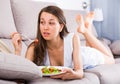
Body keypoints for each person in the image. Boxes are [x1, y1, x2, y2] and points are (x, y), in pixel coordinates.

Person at [11, 5, 115, 80]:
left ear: (61, 27)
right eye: (42, 22)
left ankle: (86, 32)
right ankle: (87, 28)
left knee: (111, 59)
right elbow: (21, 78)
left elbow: (79, 73)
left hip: (85, 56)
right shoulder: (34, 47)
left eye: (51, 23)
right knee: (90, 47)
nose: (45, 27)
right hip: (76, 54)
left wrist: (73, 74)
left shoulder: (73, 38)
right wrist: (17, 50)